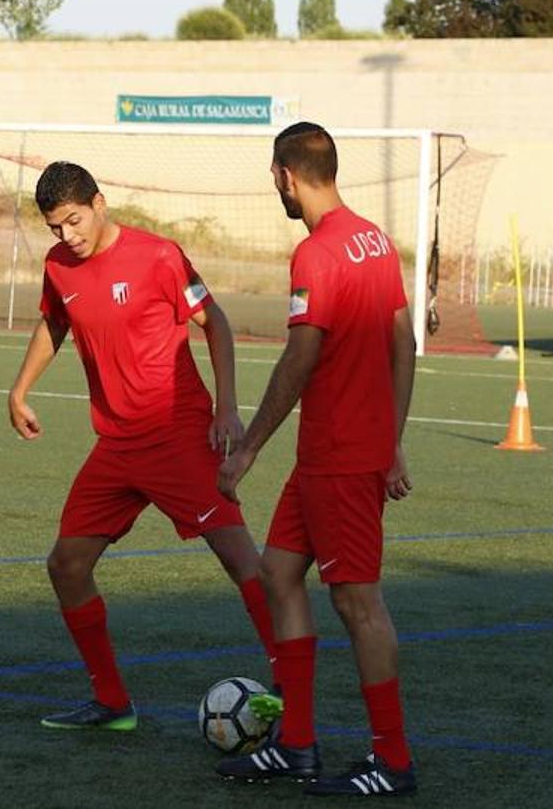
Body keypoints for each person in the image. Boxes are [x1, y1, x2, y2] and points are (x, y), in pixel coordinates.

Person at [8, 161, 279, 732]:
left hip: (178, 434)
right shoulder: (58, 267)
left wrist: (227, 406)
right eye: (56, 228)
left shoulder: (160, 256)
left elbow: (215, 322)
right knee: (67, 564)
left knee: (238, 559)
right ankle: (112, 702)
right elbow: (54, 324)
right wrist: (20, 388)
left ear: (100, 203)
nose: (68, 237)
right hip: (116, 444)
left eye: (75, 221)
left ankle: (291, 685)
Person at [213, 122, 417, 796]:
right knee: (278, 574)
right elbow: (403, 342)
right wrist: (394, 440)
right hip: (333, 453)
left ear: (286, 176)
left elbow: (300, 356)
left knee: (359, 605)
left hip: (339, 457)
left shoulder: (318, 255)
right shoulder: (374, 240)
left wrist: (245, 451)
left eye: (274, 177)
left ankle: (392, 760)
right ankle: (295, 745)